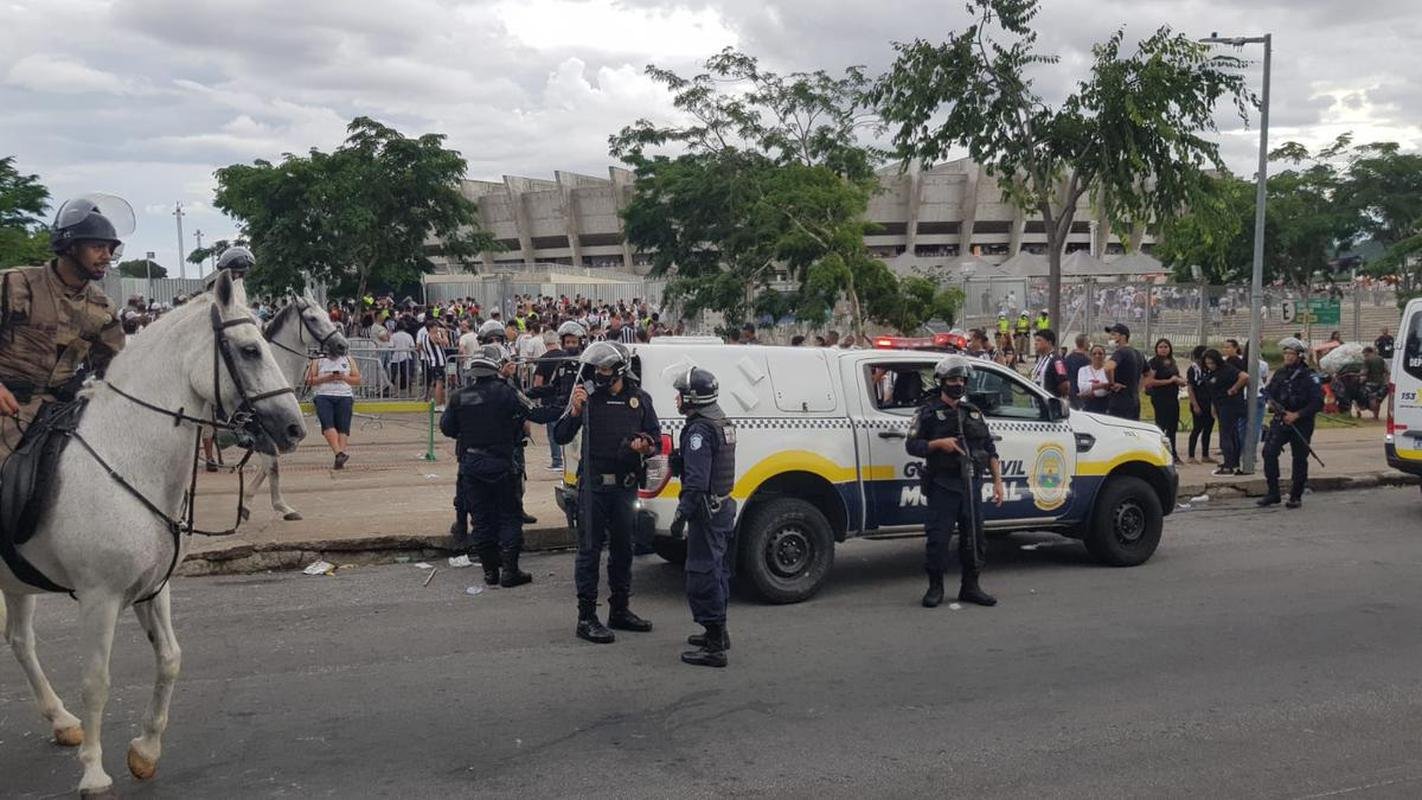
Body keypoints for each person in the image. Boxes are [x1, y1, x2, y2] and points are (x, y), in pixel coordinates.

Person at [0, 195, 129, 459]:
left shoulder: (103, 309)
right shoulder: (16, 285)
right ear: (70, 247)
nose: (107, 256)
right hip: (7, 410)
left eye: (110, 249)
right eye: (97, 247)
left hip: (63, 415)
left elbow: (117, 368)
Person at [554, 341, 662, 644]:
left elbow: (654, 438)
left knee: (624, 550)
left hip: (625, 486)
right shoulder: (588, 397)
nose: (599, 374)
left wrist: (644, 444)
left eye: (604, 369)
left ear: (618, 370)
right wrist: (574, 411)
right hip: (594, 486)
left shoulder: (640, 399)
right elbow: (561, 434)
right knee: (589, 551)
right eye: (597, 369)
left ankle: (620, 610)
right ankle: (586, 617)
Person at [441, 345, 558, 587]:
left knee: (482, 520)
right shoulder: (506, 393)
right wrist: (566, 408)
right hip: (501, 464)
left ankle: (490, 573)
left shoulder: (460, 396)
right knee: (509, 517)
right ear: (495, 368)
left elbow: (448, 428)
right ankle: (510, 571)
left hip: (472, 465)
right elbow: (536, 413)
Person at [906, 355, 1005, 608]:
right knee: (938, 539)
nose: (957, 384)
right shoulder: (928, 412)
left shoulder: (972, 412)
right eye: (952, 379)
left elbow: (989, 449)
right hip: (943, 485)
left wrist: (997, 482)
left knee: (975, 539)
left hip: (971, 485)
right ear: (942, 382)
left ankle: (970, 587)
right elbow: (912, 445)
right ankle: (935, 587)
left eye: (961, 379)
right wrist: (938, 444)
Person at [668, 367, 737, 668]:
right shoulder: (719, 420)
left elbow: (697, 482)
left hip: (706, 512)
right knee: (718, 569)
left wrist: (681, 514)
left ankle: (713, 646)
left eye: (681, 394)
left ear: (693, 398)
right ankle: (719, 633)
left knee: (702, 571)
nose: (677, 399)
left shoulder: (698, 430)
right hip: (722, 506)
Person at [1257, 337, 1323, 509]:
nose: (1287, 357)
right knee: (1269, 452)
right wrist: (1272, 403)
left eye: (1291, 353)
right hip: (1281, 420)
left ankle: (1295, 495)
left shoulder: (1309, 376)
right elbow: (1269, 392)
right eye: (1285, 353)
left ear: (1299, 355)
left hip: (1301, 422)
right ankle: (1273, 492)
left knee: (1299, 458)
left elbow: (1317, 403)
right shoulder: (1281, 373)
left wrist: (1297, 415)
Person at [532, 320, 587, 471]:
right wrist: (528, 394)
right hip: (562, 409)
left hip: (581, 414)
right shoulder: (562, 364)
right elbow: (553, 387)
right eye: (568, 342)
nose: (570, 345)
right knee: (534, 415)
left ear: (580, 342)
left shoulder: (586, 365)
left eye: (574, 342)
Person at [306, 350, 361, 469]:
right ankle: (338, 453)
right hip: (323, 395)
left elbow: (357, 379)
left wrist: (344, 377)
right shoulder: (318, 360)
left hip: (344, 395)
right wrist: (327, 378)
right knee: (327, 424)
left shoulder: (348, 359)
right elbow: (309, 380)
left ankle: (339, 456)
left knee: (343, 427)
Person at [1202, 349, 1248, 475]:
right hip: (1220, 404)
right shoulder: (1211, 372)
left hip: (1230, 405)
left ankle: (1229, 465)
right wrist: (1213, 407)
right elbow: (1213, 391)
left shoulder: (1227, 369)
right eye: (1207, 363)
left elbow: (1244, 376)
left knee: (1226, 434)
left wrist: (1234, 389)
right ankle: (1232, 462)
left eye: (1212, 363)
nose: (1210, 365)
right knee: (1232, 433)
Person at [1143, 338, 1187, 463]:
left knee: (1172, 427)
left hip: (1173, 397)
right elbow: (1150, 382)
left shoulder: (1172, 361)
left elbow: (1176, 376)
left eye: (1166, 347)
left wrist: (1180, 381)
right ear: (1156, 349)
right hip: (1160, 397)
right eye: (1161, 347)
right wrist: (1169, 381)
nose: (1163, 349)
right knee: (1161, 426)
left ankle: (1173, 453)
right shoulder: (1154, 363)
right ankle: (1159, 453)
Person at [1103, 323, 1143, 420]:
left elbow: (1108, 367)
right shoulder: (1138, 353)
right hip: (1134, 400)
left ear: (1123, 337)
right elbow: (1148, 374)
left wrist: (1111, 383)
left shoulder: (1121, 352)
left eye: (1113, 334)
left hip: (1120, 401)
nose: (1110, 337)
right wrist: (1138, 388)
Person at [1185, 345, 1215, 464]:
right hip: (1198, 402)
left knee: (1208, 429)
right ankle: (1191, 455)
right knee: (1197, 429)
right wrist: (1195, 404)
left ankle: (1205, 455)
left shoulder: (1209, 369)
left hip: (1209, 403)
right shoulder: (1193, 369)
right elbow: (1190, 388)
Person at [1031, 328, 1070, 398]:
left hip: (1049, 404)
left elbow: (1064, 384)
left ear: (1049, 343)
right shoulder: (1041, 359)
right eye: (1035, 340)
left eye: (1039, 340)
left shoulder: (1057, 361)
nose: (1035, 343)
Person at [1077, 345, 1111, 414]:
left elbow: (1107, 389)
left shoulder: (1108, 371)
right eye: (1094, 353)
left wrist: (1089, 390)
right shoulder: (1083, 370)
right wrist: (1102, 385)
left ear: (1104, 356)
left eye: (1100, 353)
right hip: (1086, 406)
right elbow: (1082, 387)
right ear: (1090, 356)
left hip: (1104, 407)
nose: (1097, 356)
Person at [1359, 345, 1390, 420]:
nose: (1364, 355)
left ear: (1367, 352)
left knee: (1372, 398)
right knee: (1378, 399)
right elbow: (1386, 371)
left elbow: (1364, 372)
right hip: (1381, 382)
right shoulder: (1380, 358)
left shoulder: (1367, 360)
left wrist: (1359, 375)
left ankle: (1374, 415)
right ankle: (1376, 416)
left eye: (1364, 353)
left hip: (1371, 383)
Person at [1063, 334, 1091, 410]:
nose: (1089, 344)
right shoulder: (1087, 360)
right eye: (1088, 342)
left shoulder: (1068, 358)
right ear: (1085, 343)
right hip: (1083, 392)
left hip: (1071, 390)